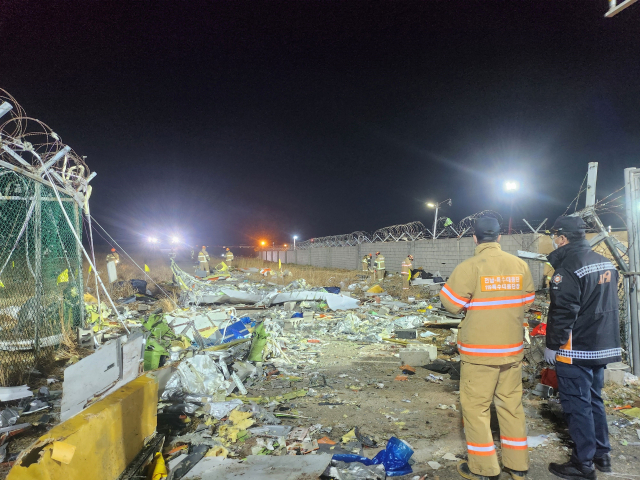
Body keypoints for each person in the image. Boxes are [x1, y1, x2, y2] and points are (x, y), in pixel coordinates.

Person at [439, 217, 534, 480]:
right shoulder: (520, 265)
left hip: (480, 353)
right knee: (511, 406)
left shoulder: (470, 266)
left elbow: (451, 304)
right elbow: (526, 300)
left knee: (476, 408)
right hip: (512, 350)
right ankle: (517, 466)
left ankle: (484, 468)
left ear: (474, 238)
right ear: (500, 238)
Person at [544, 216, 621, 480]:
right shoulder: (604, 262)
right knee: (594, 401)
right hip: (601, 345)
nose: (554, 240)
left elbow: (564, 310)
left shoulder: (569, 266)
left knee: (578, 405)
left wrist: (553, 344)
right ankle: (602, 455)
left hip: (575, 349)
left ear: (563, 238)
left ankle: (583, 464)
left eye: (555, 236)